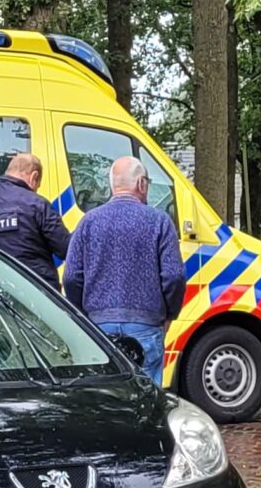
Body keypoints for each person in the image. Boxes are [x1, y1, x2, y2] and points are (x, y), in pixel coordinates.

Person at [63, 156, 179, 384]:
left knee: (106, 397)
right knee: (147, 400)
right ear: (141, 184)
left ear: (113, 186)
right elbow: (174, 276)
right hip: (146, 325)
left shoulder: (88, 222)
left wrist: (83, 315)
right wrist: (169, 314)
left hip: (98, 327)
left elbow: (71, 277)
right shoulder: (160, 221)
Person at [0, 152, 72, 289]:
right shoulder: (37, 204)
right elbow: (66, 249)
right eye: (37, 185)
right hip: (37, 292)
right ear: (34, 177)